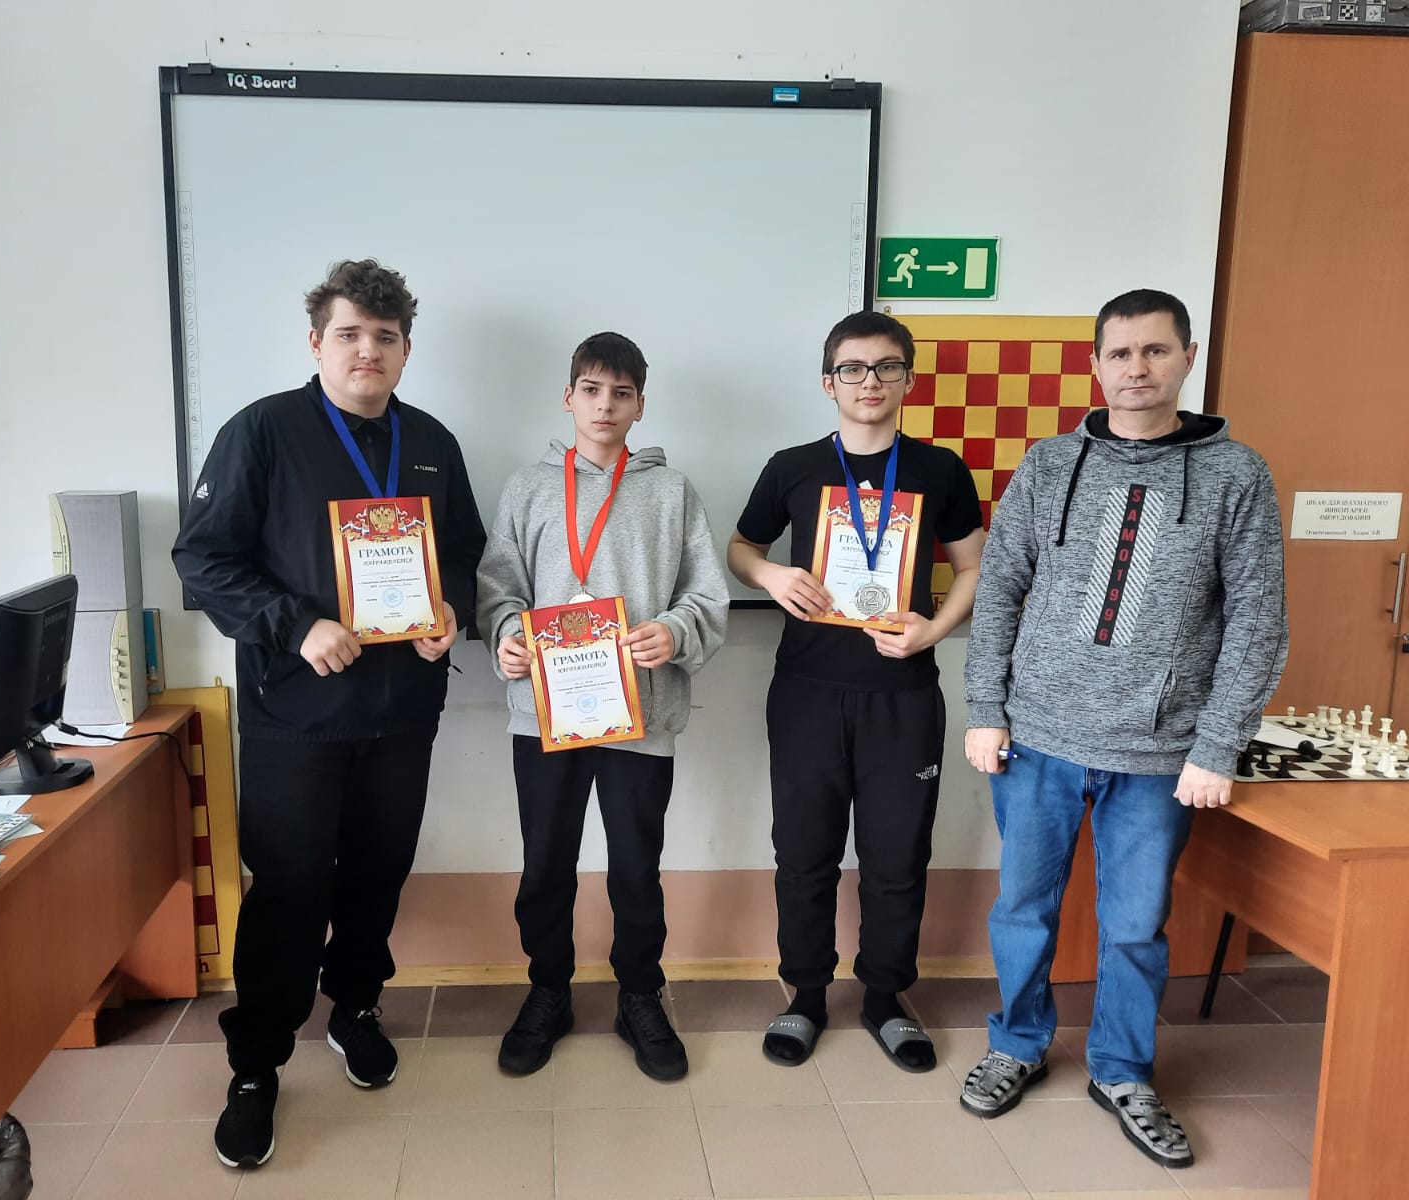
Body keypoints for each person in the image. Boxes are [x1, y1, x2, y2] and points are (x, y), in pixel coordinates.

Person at [959, 288, 1288, 1168]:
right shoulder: (1049, 462)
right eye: (1120, 353)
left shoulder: (1236, 475)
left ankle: (1122, 1070)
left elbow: (1257, 619)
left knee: (1136, 925)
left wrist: (1217, 745)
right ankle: (1016, 1044)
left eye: (1155, 350)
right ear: (1095, 365)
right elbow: (1001, 587)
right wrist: (986, 708)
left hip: (1160, 755)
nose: (1136, 368)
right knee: (1023, 909)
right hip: (1036, 740)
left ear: (1187, 357)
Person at [173, 259, 486, 1169]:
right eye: (349, 334)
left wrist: (452, 612)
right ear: (317, 343)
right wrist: (296, 624)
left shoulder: (432, 441)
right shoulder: (263, 431)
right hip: (295, 715)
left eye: (385, 337)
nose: (367, 351)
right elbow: (204, 559)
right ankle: (256, 1065)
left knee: (377, 876)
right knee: (289, 892)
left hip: (402, 712)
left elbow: (467, 554)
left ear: (406, 350)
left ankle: (354, 1008)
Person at [729, 310, 985, 1071]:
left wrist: (933, 631)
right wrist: (772, 575)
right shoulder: (792, 466)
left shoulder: (940, 470)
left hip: (902, 694)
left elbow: (975, 567)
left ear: (909, 378)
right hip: (807, 691)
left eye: (885, 367)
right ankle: (805, 995)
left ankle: (884, 998)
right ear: (828, 382)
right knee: (802, 853)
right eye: (852, 368)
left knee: (896, 856)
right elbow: (741, 547)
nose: (869, 382)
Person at [476, 331, 728, 1081]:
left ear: (640, 405)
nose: (605, 405)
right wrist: (507, 635)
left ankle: (639, 996)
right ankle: (548, 990)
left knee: (636, 866)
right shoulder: (527, 488)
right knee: (545, 863)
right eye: (591, 389)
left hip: (638, 714)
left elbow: (706, 593)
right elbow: (498, 586)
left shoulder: (672, 492)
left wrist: (674, 631)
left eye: (622, 393)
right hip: (544, 715)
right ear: (568, 396)